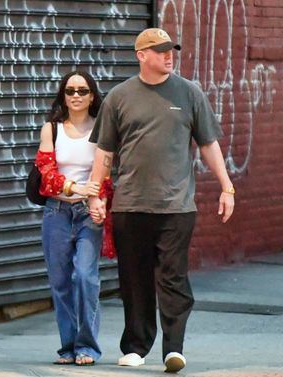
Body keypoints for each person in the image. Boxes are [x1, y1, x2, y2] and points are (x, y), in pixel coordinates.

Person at [88, 28, 235, 373]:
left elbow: (208, 144)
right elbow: (105, 151)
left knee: (173, 278)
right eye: (160, 50)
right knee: (134, 279)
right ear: (141, 55)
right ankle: (136, 347)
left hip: (176, 206)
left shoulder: (189, 93)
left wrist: (227, 187)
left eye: (171, 50)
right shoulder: (119, 97)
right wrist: (96, 195)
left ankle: (174, 348)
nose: (169, 56)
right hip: (130, 204)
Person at [35, 70, 105, 366]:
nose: (76, 96)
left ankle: (87, 346)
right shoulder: (51, 129)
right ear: (63, 96)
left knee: (85, 277)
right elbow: (46, 174)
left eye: (82, 90)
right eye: (70, 91)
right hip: (57, 212)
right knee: (61, 282)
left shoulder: (102, 129)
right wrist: (73, 186)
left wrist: (97, 197)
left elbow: (107, 171)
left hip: (88, 213)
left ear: (92, 96)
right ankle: (68, 347)